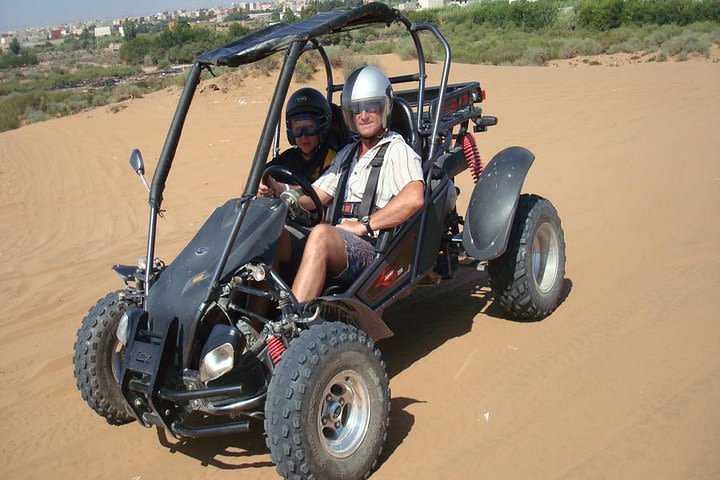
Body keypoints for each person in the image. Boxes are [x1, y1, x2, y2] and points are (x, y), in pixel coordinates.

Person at [286, 65, 425, 305]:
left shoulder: (396, 150)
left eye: (371, 106)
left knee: (320, 234)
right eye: (357, 109)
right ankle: (250, 326)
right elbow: (315, 196)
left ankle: (290, 327)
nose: (363, 115)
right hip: (340, 242)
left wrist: (364, 225)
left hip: (372, 251)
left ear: (385, 108)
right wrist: (281, 192)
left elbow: (414, 197)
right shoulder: (348, 153)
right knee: (280, 236)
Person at [259, 87, 336, 197]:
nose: (303, 135)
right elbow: (251, 181)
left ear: (322, 128)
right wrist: (259, 186)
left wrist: (281, 188)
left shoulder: (333, 159)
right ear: (290, 131)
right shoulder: (288, 158)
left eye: (309, 127)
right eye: (297, 129)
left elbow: (320, 192)